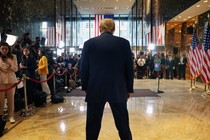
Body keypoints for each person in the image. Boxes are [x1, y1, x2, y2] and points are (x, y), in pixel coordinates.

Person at [80, 18, 134, 140]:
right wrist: (129, 88)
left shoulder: (89, 44)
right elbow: (129, 68)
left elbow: (83, 68)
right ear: (113, 29)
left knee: (93, 125)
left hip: (95, 88)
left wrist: (86, 86)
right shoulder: (124, 43)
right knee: (123, 124)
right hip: (118, 88)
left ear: (100, 28)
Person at [0, 42, 18, 124]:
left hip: (11, 80)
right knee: (1, 100)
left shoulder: (13, 57)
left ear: (8, 49)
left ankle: (11, 116)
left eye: (6, 49)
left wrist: (9, 63)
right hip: (1, 80)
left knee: (11, 99)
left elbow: (16, 69)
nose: (4, 50)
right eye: (2, 48)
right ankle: (1, 115)